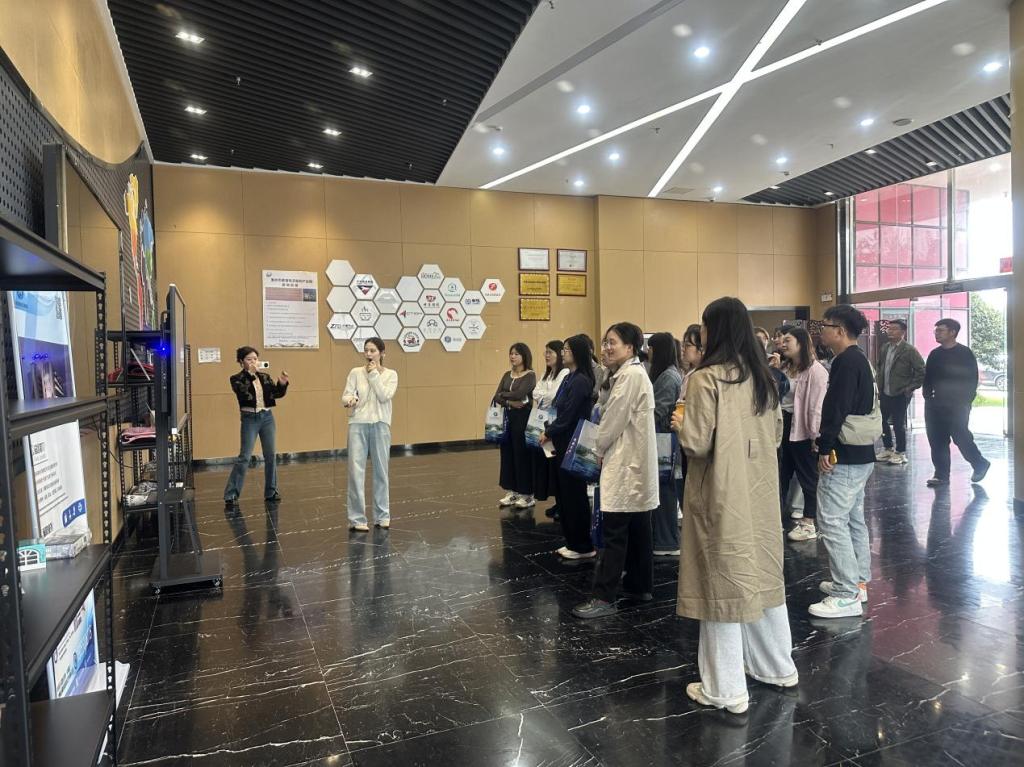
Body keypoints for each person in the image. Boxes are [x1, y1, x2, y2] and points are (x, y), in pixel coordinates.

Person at [672, 297, 796, 714]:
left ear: (716, 330)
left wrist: (680, 424)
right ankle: (777, 666)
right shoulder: (763, 377)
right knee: (763, 576)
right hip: (758, 492)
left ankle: (724, 688)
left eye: (705, 326)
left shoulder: (706, 379)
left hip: (720, 494)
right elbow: (775, 435)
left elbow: (696, 443)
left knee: (720, 582)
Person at [573, 323, 657, 618]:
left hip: (625, 463)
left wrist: (596, 450)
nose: (606, 348)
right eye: (605, 342)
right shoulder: (626, 374)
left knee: (614, 533)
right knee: (637, 528)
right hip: (633, 464)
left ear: (630, 348)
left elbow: (612, 421)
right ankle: (639, 585)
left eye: (613, 342)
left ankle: (603, 598)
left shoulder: (630, 376)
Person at [811, 304, 876, 618]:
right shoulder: (858, 359)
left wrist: (824, 447)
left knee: (832, 521)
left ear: (839, 330)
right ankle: (857, 581)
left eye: (824, 326)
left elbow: (836, 408)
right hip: (860, 454)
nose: (820, 331)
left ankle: (845, 593)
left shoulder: (846, 363)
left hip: (844, 456)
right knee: (852, 519)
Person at [541, 335, 597, 560]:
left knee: (574, 494)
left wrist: (549, 432)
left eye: (566, 349)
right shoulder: (569, 377)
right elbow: (557, 406)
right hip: (562, 440)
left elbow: (569, 416)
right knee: (564, 494)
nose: (563, 353)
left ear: (578, 353)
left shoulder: (581, 380)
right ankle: (572, 541)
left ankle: (583, 545)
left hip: (572, 441)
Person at [923, 318, 990, 486]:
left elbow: (972, 379)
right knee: (937, 440)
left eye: (941, 330)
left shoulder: (965, 353)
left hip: (958, 405)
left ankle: (980, 463)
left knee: (961, 436)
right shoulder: (934, 354)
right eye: (936, 330)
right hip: (935, 405)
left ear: (952, 332)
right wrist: (928, 397)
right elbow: (928, 378)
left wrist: (965, 401)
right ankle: (941, 475)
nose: (937, 333)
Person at [342, 337, 398, 531]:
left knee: (381, 471)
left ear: (382, 353)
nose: (368, 354)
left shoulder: (391, 374)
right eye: (366, 350)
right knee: (355, 472)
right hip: (358, 424)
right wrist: (350, 400)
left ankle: (382, 515)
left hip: (381, 425)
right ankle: (357, 519)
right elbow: (346, 395)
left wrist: (374, 374)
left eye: (373, 350)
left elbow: (384, 396)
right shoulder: (355, 372)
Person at [778, 327, 828, 543]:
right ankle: (775, 519)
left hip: (803, 429)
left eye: (788, 340)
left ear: (801, 343)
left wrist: (815, 436)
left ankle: (809, 522)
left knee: (808, 477)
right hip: (783, 425)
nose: (783, 344)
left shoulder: (816, 371)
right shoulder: (785, 367)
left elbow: (817, 407)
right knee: (781, 475)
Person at [224, 346, 289, 506]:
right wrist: (251, 374)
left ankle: (271, 491)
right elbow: (243, 393)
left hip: (267, 417)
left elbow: (276, 394)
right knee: (245, 456)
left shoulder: (265, 377)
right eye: (249, 359)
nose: (253, 361)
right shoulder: (236, 378)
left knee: (270, 455)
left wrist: (282, 384)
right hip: (249, 418)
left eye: (255, 358)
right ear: (241, 362)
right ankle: (231, 494)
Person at [647, 332, 682, 556]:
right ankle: (662, 539)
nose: (648, 352)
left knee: (665, 490)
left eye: (651, 348)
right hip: (661, 438)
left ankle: (667, 542)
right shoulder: (665, 374)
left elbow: (659, 411)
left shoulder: (668, 377)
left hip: (664, 439)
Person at [875, 319, 925, 466]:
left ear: (903, 332)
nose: (890, 331)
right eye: (889, 328)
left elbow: (921, 370)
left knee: (898, 423)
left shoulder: (909, 350)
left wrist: (910, 387)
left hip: (900, 392)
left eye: (894, 329)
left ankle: (901, 452)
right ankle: (888, 448)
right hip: (885, 391)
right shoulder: (885, 347)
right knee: (881, 421)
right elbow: (880, 366)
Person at [494, 343, 537, 508]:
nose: (513, 356)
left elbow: (520, 393)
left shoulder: (530, 375)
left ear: (524, 356)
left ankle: (527, 494)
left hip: (523, 419)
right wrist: (510, 402)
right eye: (511, 353)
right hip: (508, 417)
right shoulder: (507, 375)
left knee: (521, 455)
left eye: (516, 354)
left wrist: (503, 395)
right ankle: (512, 491)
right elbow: (497, 396)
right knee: (508, 454)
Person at [533, 340, 570, 519]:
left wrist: (543, 397)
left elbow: (554, 396)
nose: (547, 356)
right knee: (549, 463)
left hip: (556, 424)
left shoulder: (564, 373)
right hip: (545, 422)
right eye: (545, 352)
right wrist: (544, 396)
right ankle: (558, 502)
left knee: (557, 463)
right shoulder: (546, 373)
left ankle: (563, 505)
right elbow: (535, 392)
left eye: (550, 352)